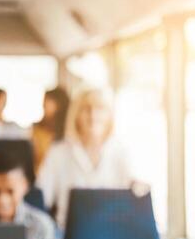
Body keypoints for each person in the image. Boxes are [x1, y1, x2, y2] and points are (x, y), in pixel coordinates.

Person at [35, 87, 145, 229]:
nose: (93, 115)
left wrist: (138, 187)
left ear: (110, 115)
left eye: (100, 108)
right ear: (76, 115)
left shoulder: (121, 152)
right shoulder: (58, 153)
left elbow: (137, 190)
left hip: (113, 234)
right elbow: (41, 198)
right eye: (86, 109)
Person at [31, 87, 70, 174]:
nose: (43, 104)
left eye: (48, 101)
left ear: (59, 105)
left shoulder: (69, 132)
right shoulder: (36, 130)